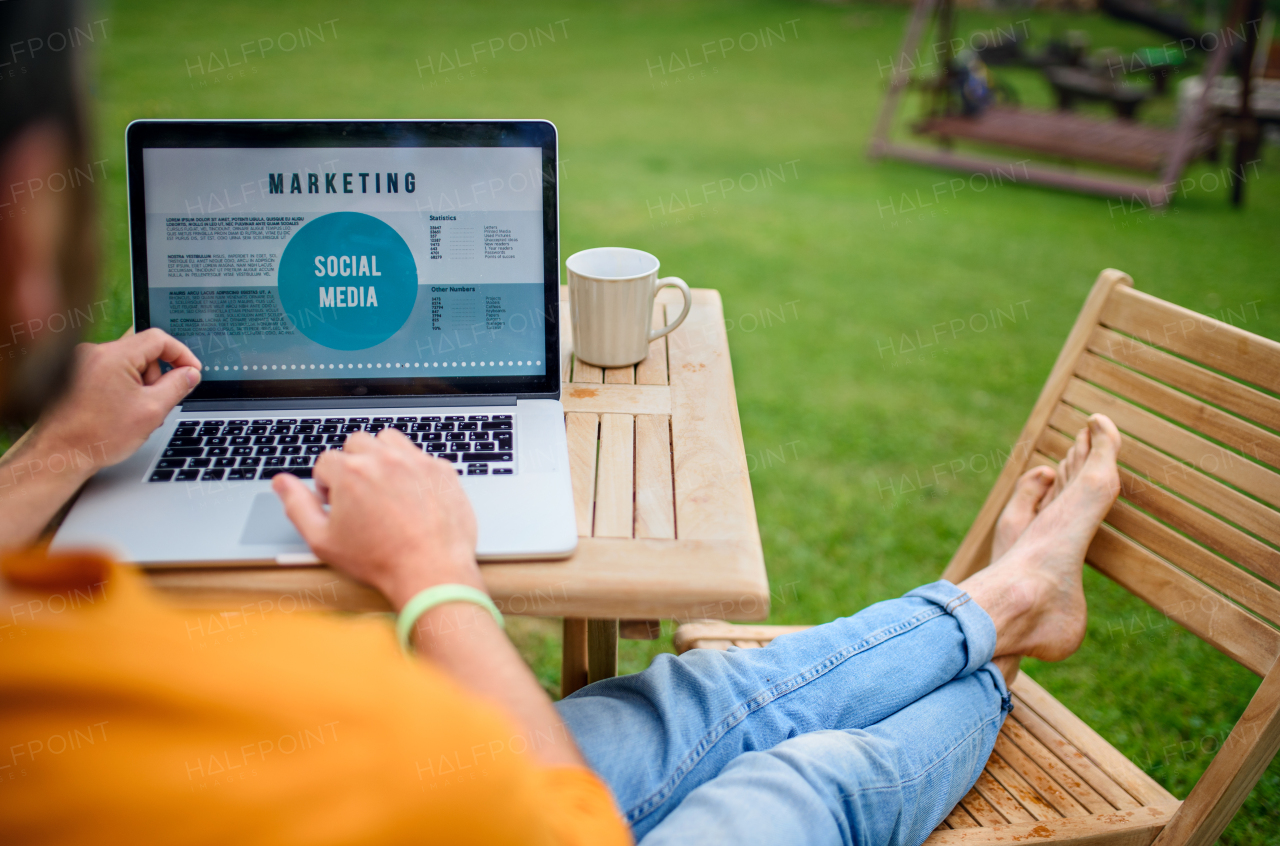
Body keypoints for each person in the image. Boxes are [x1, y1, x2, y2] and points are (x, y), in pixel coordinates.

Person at [0, 3, 1124, 844]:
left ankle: (1001, 610)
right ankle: (1004, 623)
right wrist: (434, 577)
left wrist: (59, 449)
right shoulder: (279, 714)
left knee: (705, 697)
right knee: (805, 776)